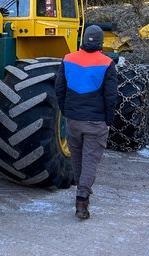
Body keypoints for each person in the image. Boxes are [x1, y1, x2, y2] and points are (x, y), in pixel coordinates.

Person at [55, 25, 118, 220]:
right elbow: (111, 96)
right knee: (90, 160)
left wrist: (67, 112)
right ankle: (82, 200)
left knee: (77, 158)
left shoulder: (68, 59)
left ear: (83, 39)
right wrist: (109, 121)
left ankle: (81, 189)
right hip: (96, 121)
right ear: (101, 42)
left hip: (73, 120)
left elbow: (59, 89)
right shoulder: (107, 63)